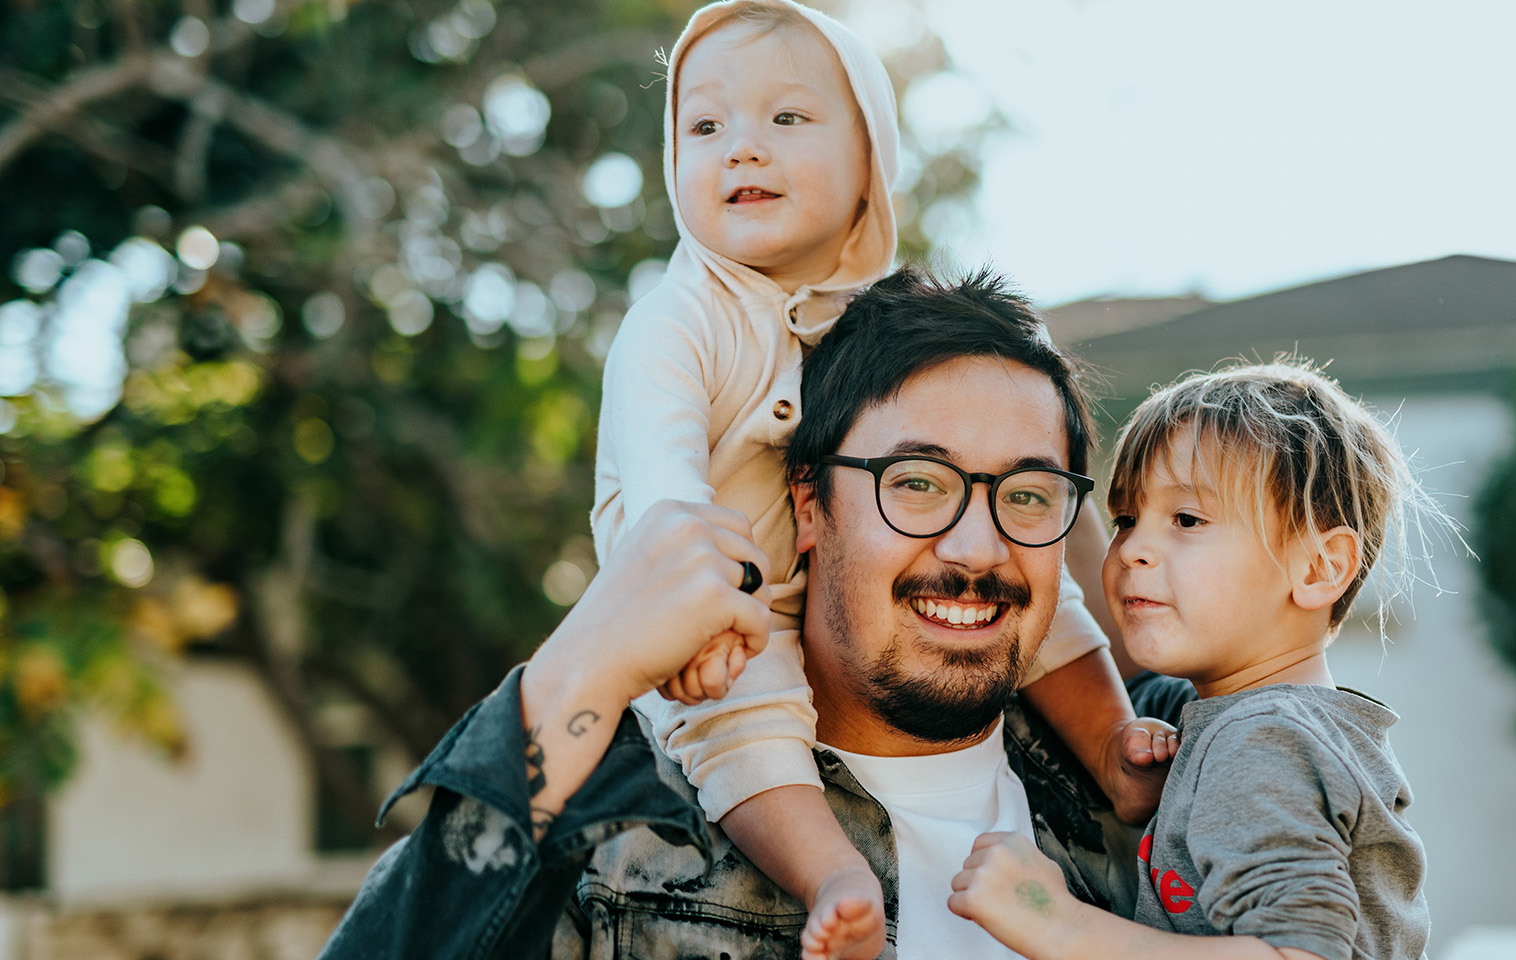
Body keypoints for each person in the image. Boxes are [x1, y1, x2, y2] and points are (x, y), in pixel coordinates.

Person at [319, 269, 1157, 960]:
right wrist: (584, 663)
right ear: (809, 506)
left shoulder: (1179, 788)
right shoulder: (622, 849)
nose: (977, 549)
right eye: (916, 485)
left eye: (1028, 494)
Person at [593, 4, 1169, 954]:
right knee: (745, 725)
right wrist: (695, 613)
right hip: (720, 618)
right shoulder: (679, 320)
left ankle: (1112, 746)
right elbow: (663, 494)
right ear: (812, 496)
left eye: (786, 121)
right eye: (705, 128)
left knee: (1043, 587)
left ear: (872, 160)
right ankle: (837, 881)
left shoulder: (886, 321)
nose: (742, 151)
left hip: (787, 594)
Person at [950, 361, 1443, 960]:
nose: (1131, 549)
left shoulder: (1261, 743)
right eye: (1127, 519)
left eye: (1187, 519)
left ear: (1320, 568)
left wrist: (1058, 924)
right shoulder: (1229, 717)